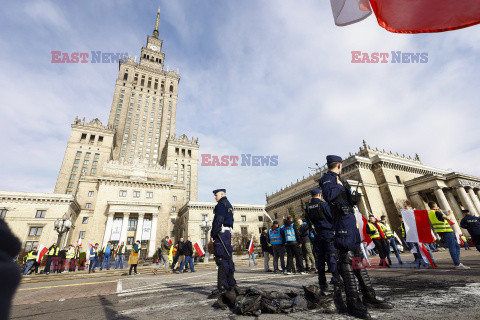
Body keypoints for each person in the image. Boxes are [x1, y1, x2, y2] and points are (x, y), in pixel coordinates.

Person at [320, 155, 393, 319]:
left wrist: (352, 197)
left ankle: (369, 295)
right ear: (339, 165)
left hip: (350, 221)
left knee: (357, 258)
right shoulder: (328, 178)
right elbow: (330, 196)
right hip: (342, 222)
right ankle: (353, 302)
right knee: (346, 257)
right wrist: (341, 189)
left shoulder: (339, 179)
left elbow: (342, 198)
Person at [305, 188, 337, 294]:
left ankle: (322, 284)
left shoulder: (308, 207)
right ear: (319, 194)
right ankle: (336, 280)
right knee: (332, 257)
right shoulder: (323, 204)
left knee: (320, 258)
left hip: (317, 234)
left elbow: (308, 222)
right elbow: (331, 217)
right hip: (327, 233)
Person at [208, 189, 237, 299]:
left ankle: (222, 287)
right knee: (228, 258)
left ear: (222, 194)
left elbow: (218, 220)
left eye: (216, 195)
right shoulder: (228, 204)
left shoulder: (221, 204)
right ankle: (231, 283)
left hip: (221, 233)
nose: (215, 197)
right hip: (227, 233)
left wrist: (213, 234)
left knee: (221, 259)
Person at [427, 201, 468, 269]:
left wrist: (441, 212)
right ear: (435, 205)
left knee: (457, 246)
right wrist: (450, 213)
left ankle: (457, 262)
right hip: (445, 231)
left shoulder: (431, 212)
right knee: (452, 247)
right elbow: (448, 218)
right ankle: (457, 263)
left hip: (443, 231)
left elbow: (440, 219)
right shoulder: (436, 212)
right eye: (436, 205)